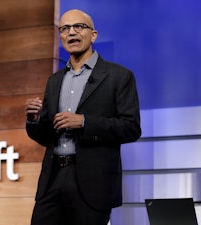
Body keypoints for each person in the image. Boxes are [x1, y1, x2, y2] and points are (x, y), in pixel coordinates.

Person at [25, 9, 142, 225]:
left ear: (93, 35)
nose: (71, 32)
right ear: (60, 36)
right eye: (65, 28)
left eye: (79, 26)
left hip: (93, 183)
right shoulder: (54, 81)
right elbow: (45, 137)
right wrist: (34, 120)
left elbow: (131, 128)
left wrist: (84, 122)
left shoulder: (119, 76)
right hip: (53, 179)